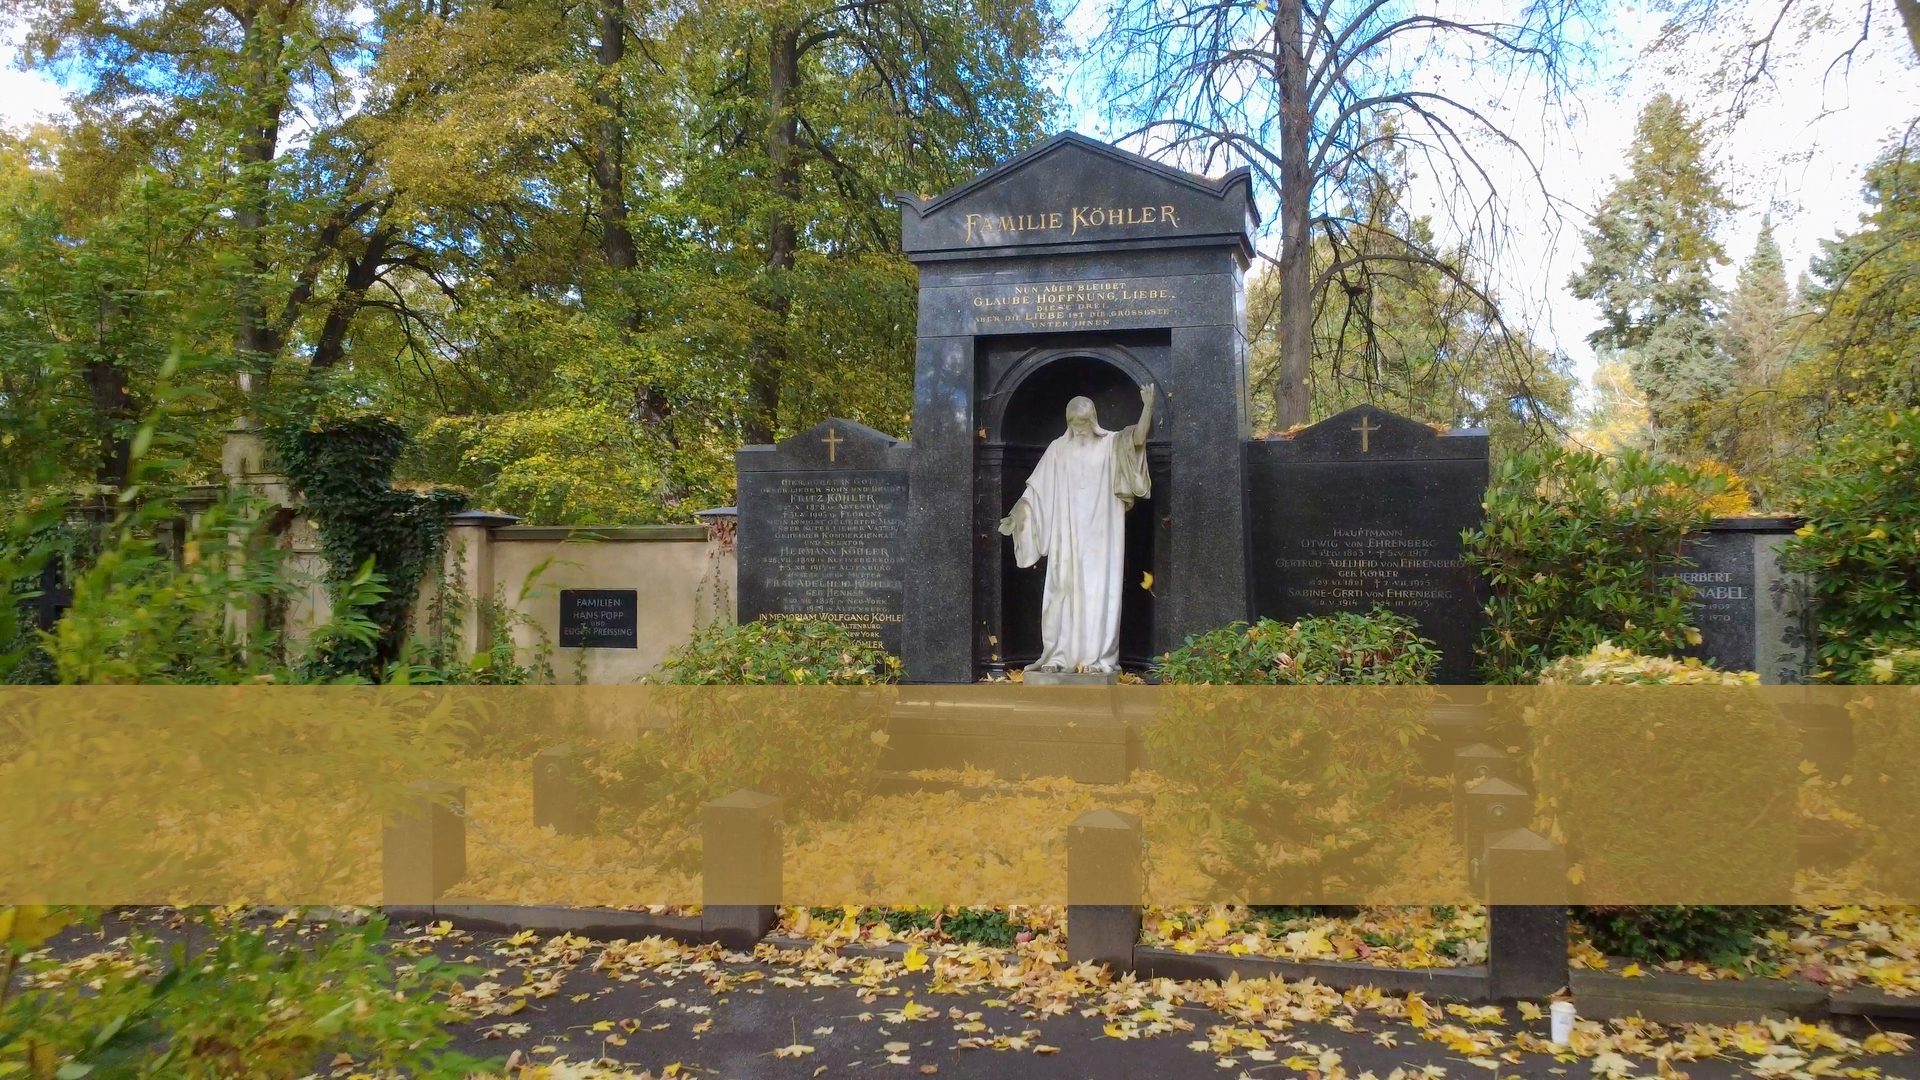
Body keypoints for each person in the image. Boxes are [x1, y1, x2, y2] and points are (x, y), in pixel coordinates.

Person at [998, 383, 1155, 673]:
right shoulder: (1058, 449)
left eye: (1084, 422)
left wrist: (1147, 407)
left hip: (1102, 535)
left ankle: (1098, 660)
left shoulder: (1111, 443)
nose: (1080, 428)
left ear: (1093, 420)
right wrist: (1020, 512)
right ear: (1068, 423)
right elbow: (1036, 490)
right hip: (1065, 535)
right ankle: (1058, 656)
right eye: (1074, 422)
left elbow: (1138, 439)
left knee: (1098, 593)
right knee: (1061, 592)